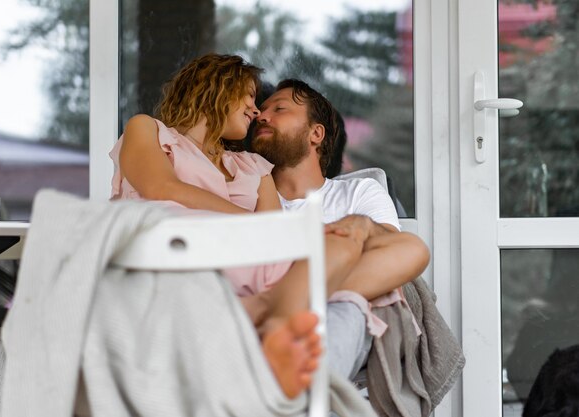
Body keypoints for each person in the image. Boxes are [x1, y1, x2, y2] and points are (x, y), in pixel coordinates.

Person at [109, 54, 429, 399]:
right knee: (339, 244)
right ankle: (277, 312)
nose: (256, 111)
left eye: (273, 107)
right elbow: (162, 188)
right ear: (217, 89)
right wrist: (270, 228)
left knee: (409, 248)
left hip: (253, 261)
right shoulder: (148, 130)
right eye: (250, 97)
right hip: (182, 252)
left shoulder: (252, 167)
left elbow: (276, 231)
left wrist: (344, 230)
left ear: (316, 134)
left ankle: (274, 314)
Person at [250, 78, 421, 380]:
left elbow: (395, 253)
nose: (261, 116)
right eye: (260, 111)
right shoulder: (244, 193)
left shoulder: (358, 193)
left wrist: (365, 226)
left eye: (279, 109)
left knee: (403, 259)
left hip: (337, 310)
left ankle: (284, 312)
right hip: (258, 311)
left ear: (316, 133)